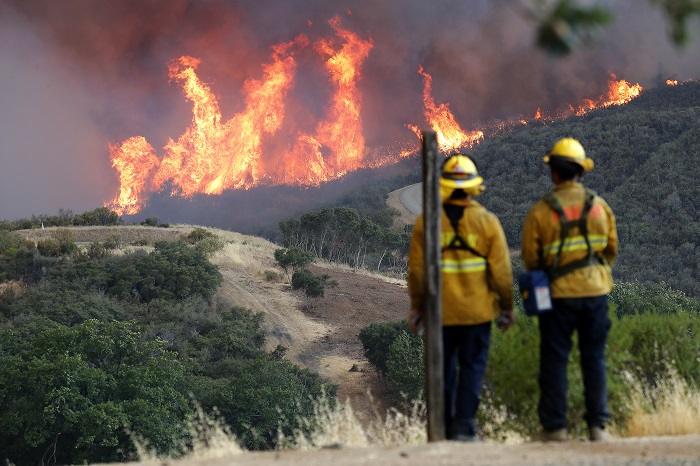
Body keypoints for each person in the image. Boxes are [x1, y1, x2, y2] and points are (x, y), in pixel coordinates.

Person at [407, 153, 514, 442]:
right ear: (473, 186)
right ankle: (464, 427)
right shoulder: (487, 222)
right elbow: (502, 273)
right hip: (477, 313)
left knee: (441, 369)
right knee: (472, 368)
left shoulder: (427, 223)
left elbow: (416, 271)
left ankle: (444, 428)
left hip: (439, 312)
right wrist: (507, 307)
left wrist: (417, 307)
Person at [521, 137, 618, 442]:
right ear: (581, 171)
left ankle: (555, 428)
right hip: (595, 293)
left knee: (555, 359)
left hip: (559, 296)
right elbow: (611, 250)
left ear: (554, 172)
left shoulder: (541, 211)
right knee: (594, 358)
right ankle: (597, 427)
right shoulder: (599, 207)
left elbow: (531, 259)